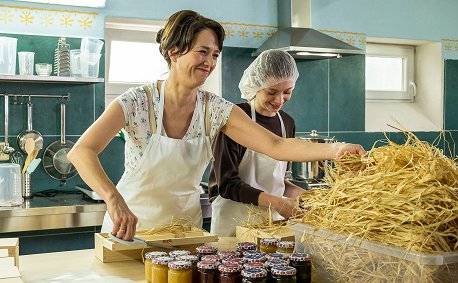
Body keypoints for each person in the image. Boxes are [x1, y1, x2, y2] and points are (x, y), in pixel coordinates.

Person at [67, 10, 366, 241]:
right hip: (131, 227)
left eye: (214, 54)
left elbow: (276, 146)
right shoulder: (137, 102)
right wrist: (113, 199)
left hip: (185, 232)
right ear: (174, 52)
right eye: (202, 52)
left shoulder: (215, 108)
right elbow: (82, 151)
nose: (209, 62)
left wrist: (337, 149)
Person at [208, 49, 305, 236]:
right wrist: (277, 203)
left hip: (270, 227)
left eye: (287, 92)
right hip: (232, 225)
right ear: (255, 85)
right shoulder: (235, 118)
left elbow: (279, 182)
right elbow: (227, 184)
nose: (279, 100)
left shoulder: (287, 123)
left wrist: (311, 197)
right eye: (271, 92)